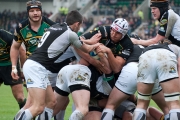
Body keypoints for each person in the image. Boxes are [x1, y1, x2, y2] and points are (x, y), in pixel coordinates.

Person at [14, 10, 100, 120]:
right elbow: (86, 48)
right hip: (36, 67)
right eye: (80, 25)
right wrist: (98, 45)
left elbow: (77, 41)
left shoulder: (56, 27)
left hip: (38, 66)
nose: (80, 28)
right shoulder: (70, 34)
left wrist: (90, 41)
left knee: (51, 102)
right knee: (37, 107)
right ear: (77, 24)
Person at [100, 35, 169, 120]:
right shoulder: (144, 46)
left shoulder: (125, 46)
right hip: (151, 70)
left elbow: (116, 67)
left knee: (111, 105)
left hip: (132, 68)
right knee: (166, 108)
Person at [133, 40, 180, 120]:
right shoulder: (176, 47)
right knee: (173, 103)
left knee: (141, 104)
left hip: (146, 56)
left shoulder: (151, 45)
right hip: (166, 56)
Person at [0, 29, 26, 109]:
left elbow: (21, 51)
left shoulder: (6, 36)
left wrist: (22, 70)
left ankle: (26, 116)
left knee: (20, 97)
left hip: (10, 66)